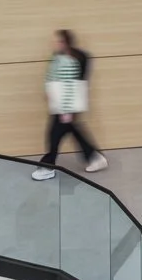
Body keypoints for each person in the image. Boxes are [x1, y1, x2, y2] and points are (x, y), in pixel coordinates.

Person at [32, 29, 107, 179]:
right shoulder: (58, 58)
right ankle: (95, 157)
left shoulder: (69, 62)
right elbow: (53, 78)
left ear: (65, 43)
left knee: (54, 135)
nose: (54, 43)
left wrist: (67, 111)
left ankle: (48, 166)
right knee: (72, 131)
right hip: (59, 106)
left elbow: (69, 87)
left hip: (64, 107)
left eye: (58, 41)